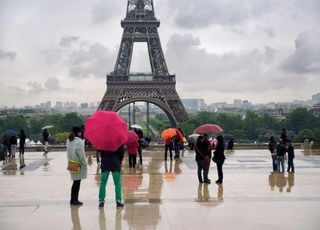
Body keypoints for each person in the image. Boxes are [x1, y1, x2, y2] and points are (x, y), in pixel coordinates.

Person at [67, 126, 88, 206]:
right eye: (80, 132)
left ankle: (73, 199)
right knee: (77, 183)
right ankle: (75, 200)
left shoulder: (69, 141)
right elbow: (81, 155)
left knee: (75, 182)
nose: (81, 133)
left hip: (71, 163)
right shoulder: (78, 142)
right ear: (78, 132)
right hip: (78, 164)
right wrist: (85, 163)